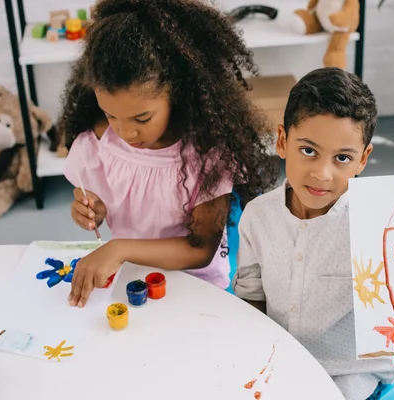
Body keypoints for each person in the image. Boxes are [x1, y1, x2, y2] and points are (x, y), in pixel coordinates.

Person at [232, 67, 394, 400]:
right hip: (277, 367)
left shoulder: (380, 224)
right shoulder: (257, 216)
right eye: (308, 151)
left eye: (342, 158)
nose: (322, 174)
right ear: (282, 141)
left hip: (348, 378)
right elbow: (251, 297)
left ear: (363, 159)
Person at [60, 0, 277, 308]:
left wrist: (119, 248)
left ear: (177, 92)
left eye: (142, 118)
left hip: (196, 287)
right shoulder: (100, 139)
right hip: (132, 277)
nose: (125, 133)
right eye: (111, 115)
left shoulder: (205, 155)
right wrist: (88, 209)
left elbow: (200, 250)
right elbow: (92, 196)